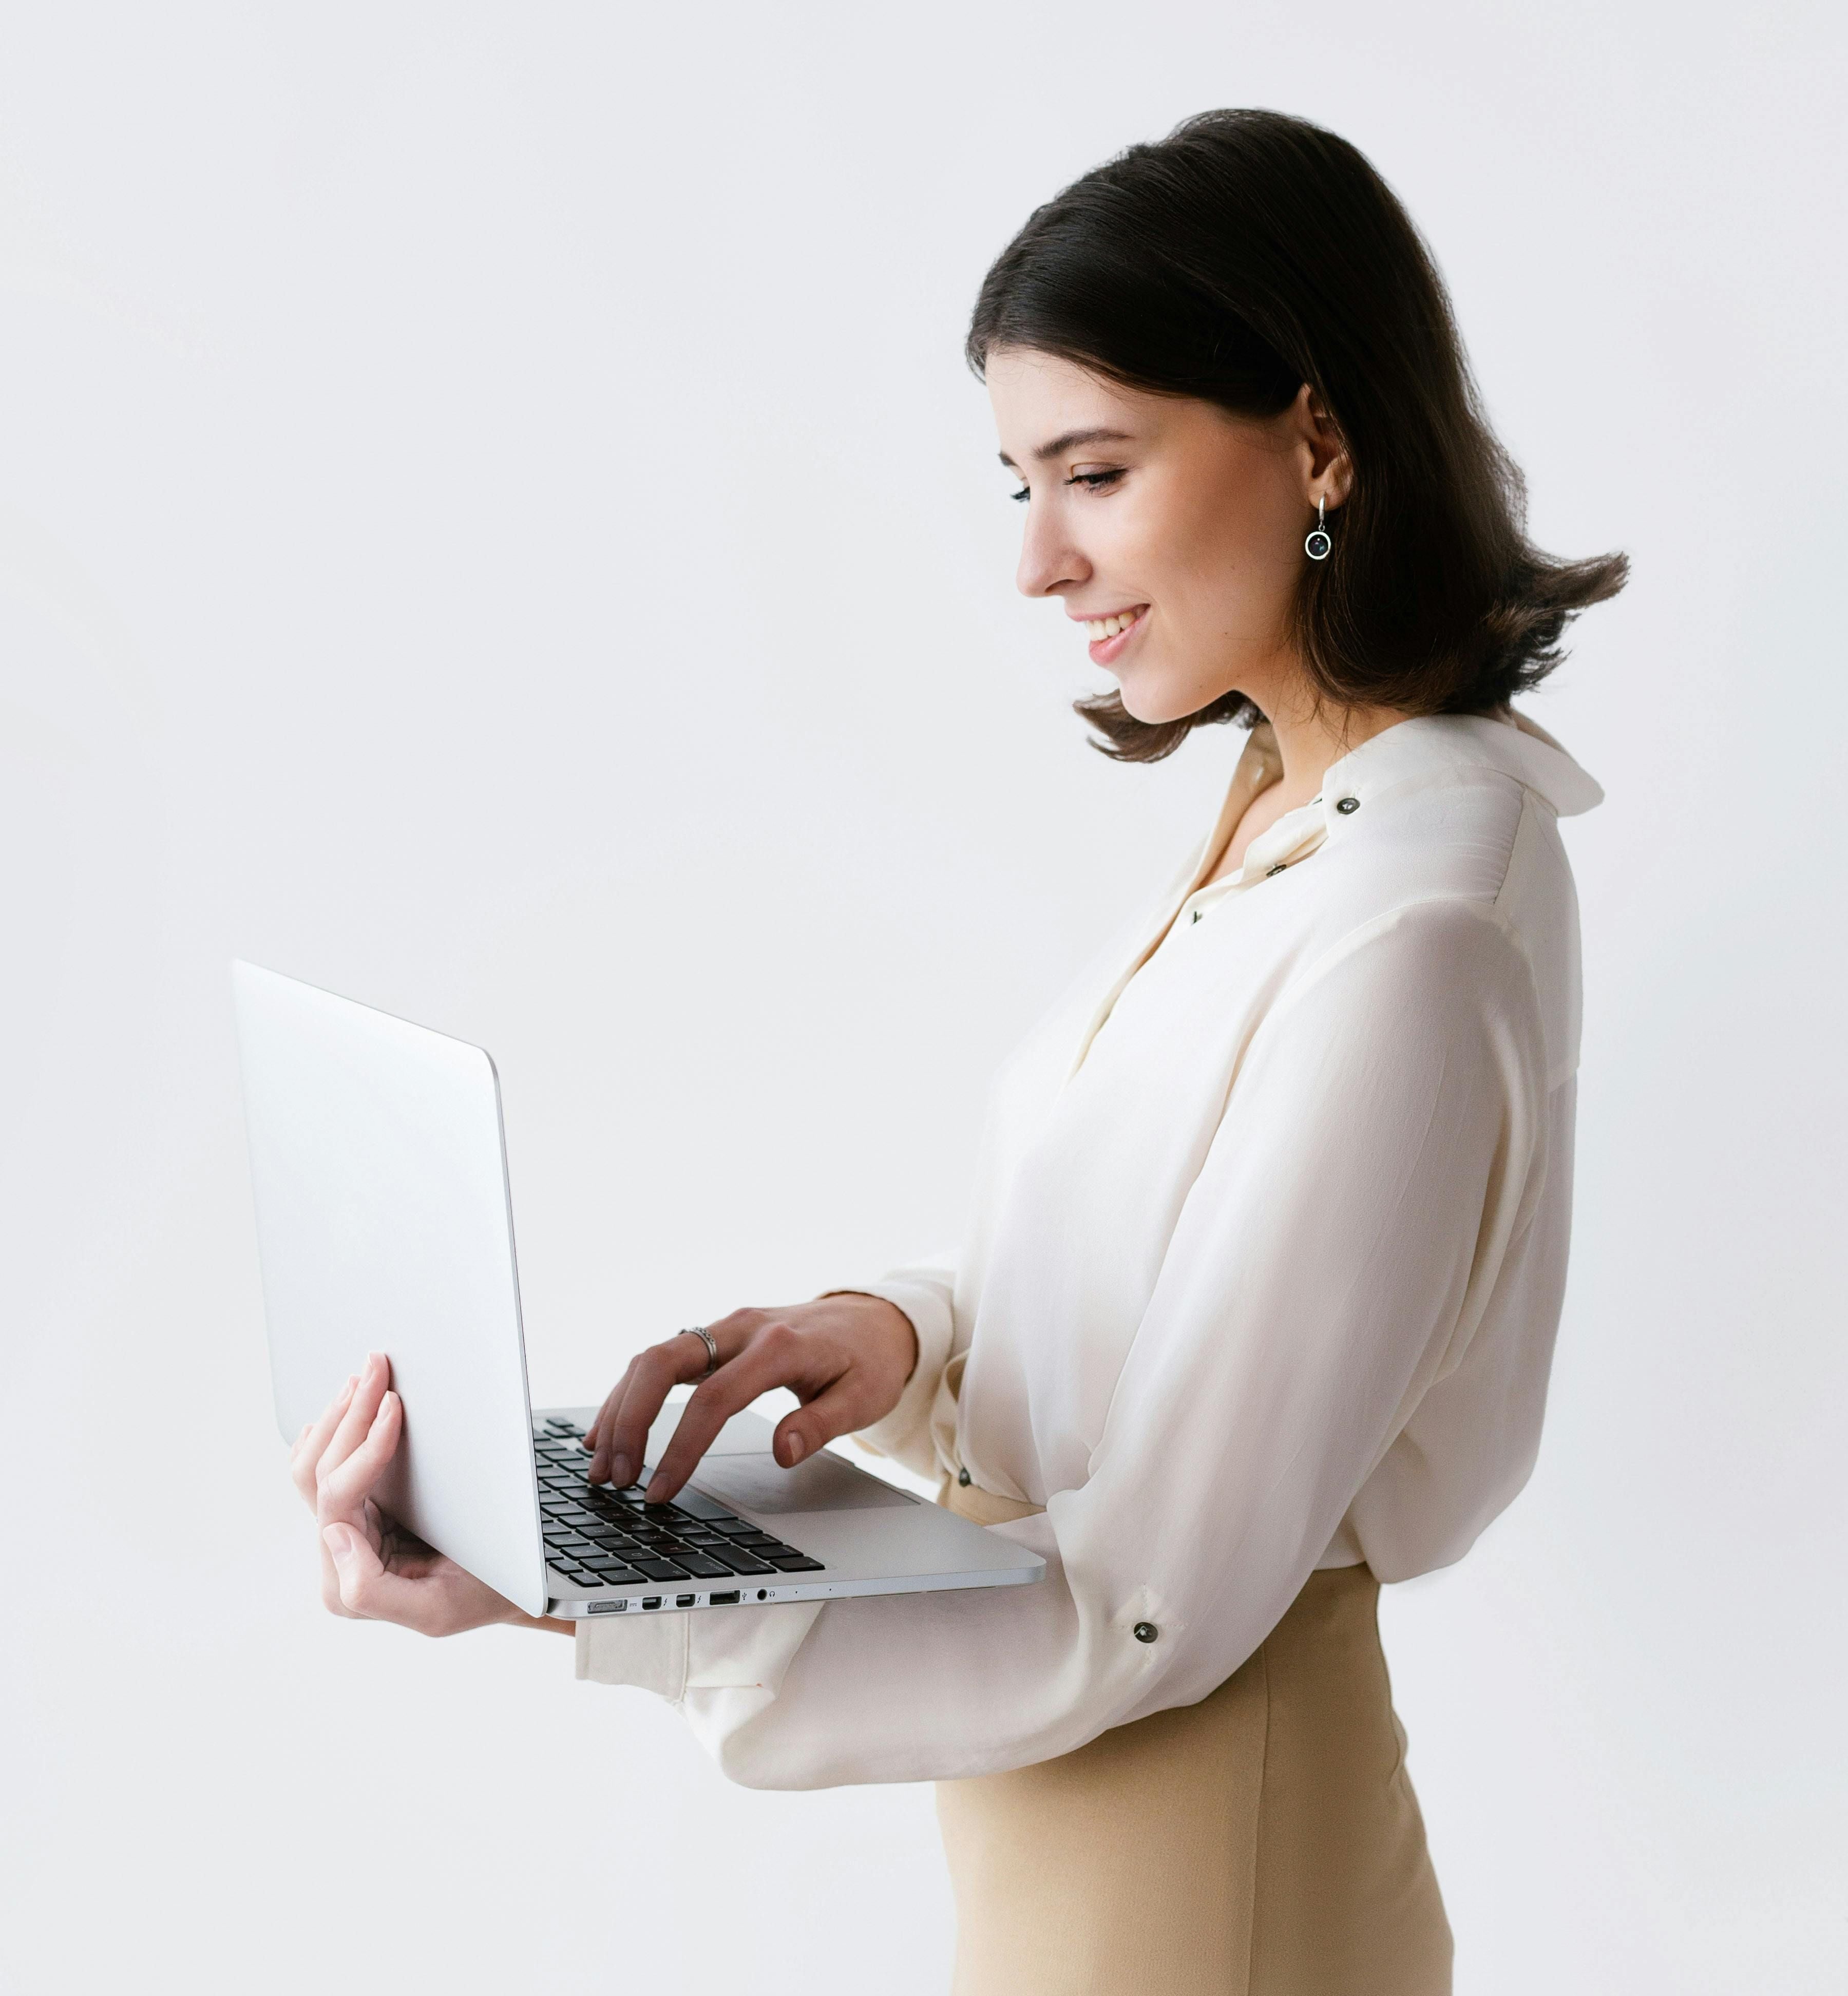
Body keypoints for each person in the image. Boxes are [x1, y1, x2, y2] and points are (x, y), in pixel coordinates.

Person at [291, 109, 1626, 1995]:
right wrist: (904, 1339)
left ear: (1319, 439)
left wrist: (573, 1597)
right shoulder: (1293, 810)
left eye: (1094, 470)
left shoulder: (1413, 921)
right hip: (1095, 1837)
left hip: (1196, 1859)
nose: (1040, 564)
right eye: (1020, 484)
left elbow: (1140, 1601)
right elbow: (1166, 1295)